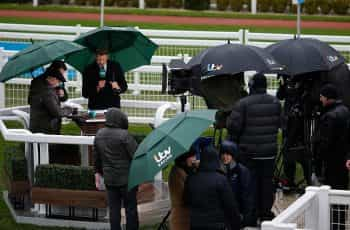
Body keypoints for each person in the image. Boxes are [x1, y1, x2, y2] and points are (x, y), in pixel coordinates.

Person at [226, 73, 281, 224]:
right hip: (269, 153)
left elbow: (233, 128)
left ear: (252, 86)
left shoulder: (243, 103)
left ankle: (250, 217)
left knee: (249, 185)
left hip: (248, 152)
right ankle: (265, 214)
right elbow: (279, 124)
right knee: (267, 184)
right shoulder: (275, 102)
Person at [93, 108, 138, 230]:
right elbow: (135, 156)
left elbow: (96, 159)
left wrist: (97, 173)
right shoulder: (125, 135)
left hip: (109, 179)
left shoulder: (99, 134)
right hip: (127, 180)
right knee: (131, 209)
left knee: (114, 210)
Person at [184, 145, 241, 230]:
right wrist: (236, 224)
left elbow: (186, 200)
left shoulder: (191, 178)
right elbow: (230, 205)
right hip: (217, 224)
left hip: (196, 224)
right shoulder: (221, 179)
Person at [319, 84, 349, 230]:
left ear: (327, 97)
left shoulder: (329, 116)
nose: (320, 99)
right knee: (342, 192)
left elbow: (326, 143)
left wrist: (318, 157)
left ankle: (333, 224)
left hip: (332, 161)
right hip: (343, 159)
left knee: (330, 194)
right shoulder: (345, 110)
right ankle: (341, 223)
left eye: (322, 96)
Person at [220, 140, 255, 228]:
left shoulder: (242, 171)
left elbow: (247, 195)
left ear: (233, 155)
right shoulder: (217, 169)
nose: (225, 157)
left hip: (237, 213)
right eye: (223, 154)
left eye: (228, 154)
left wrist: (245, 216)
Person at [28, 68, 71, 134]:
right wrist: (70, 109)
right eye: (59, 81)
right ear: (53, 79)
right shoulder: (48, 92)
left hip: (38, 130)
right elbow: (58, 113)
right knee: (74, 144)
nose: (59, 83)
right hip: (45, 133)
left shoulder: (42, 87)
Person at [168, 148, 196, 230]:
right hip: (181, 218)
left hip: (187, 216)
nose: (195, 159)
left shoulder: (185, 169)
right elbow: (181, 198)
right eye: (192, 156)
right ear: (184, 158)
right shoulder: (177, 173)